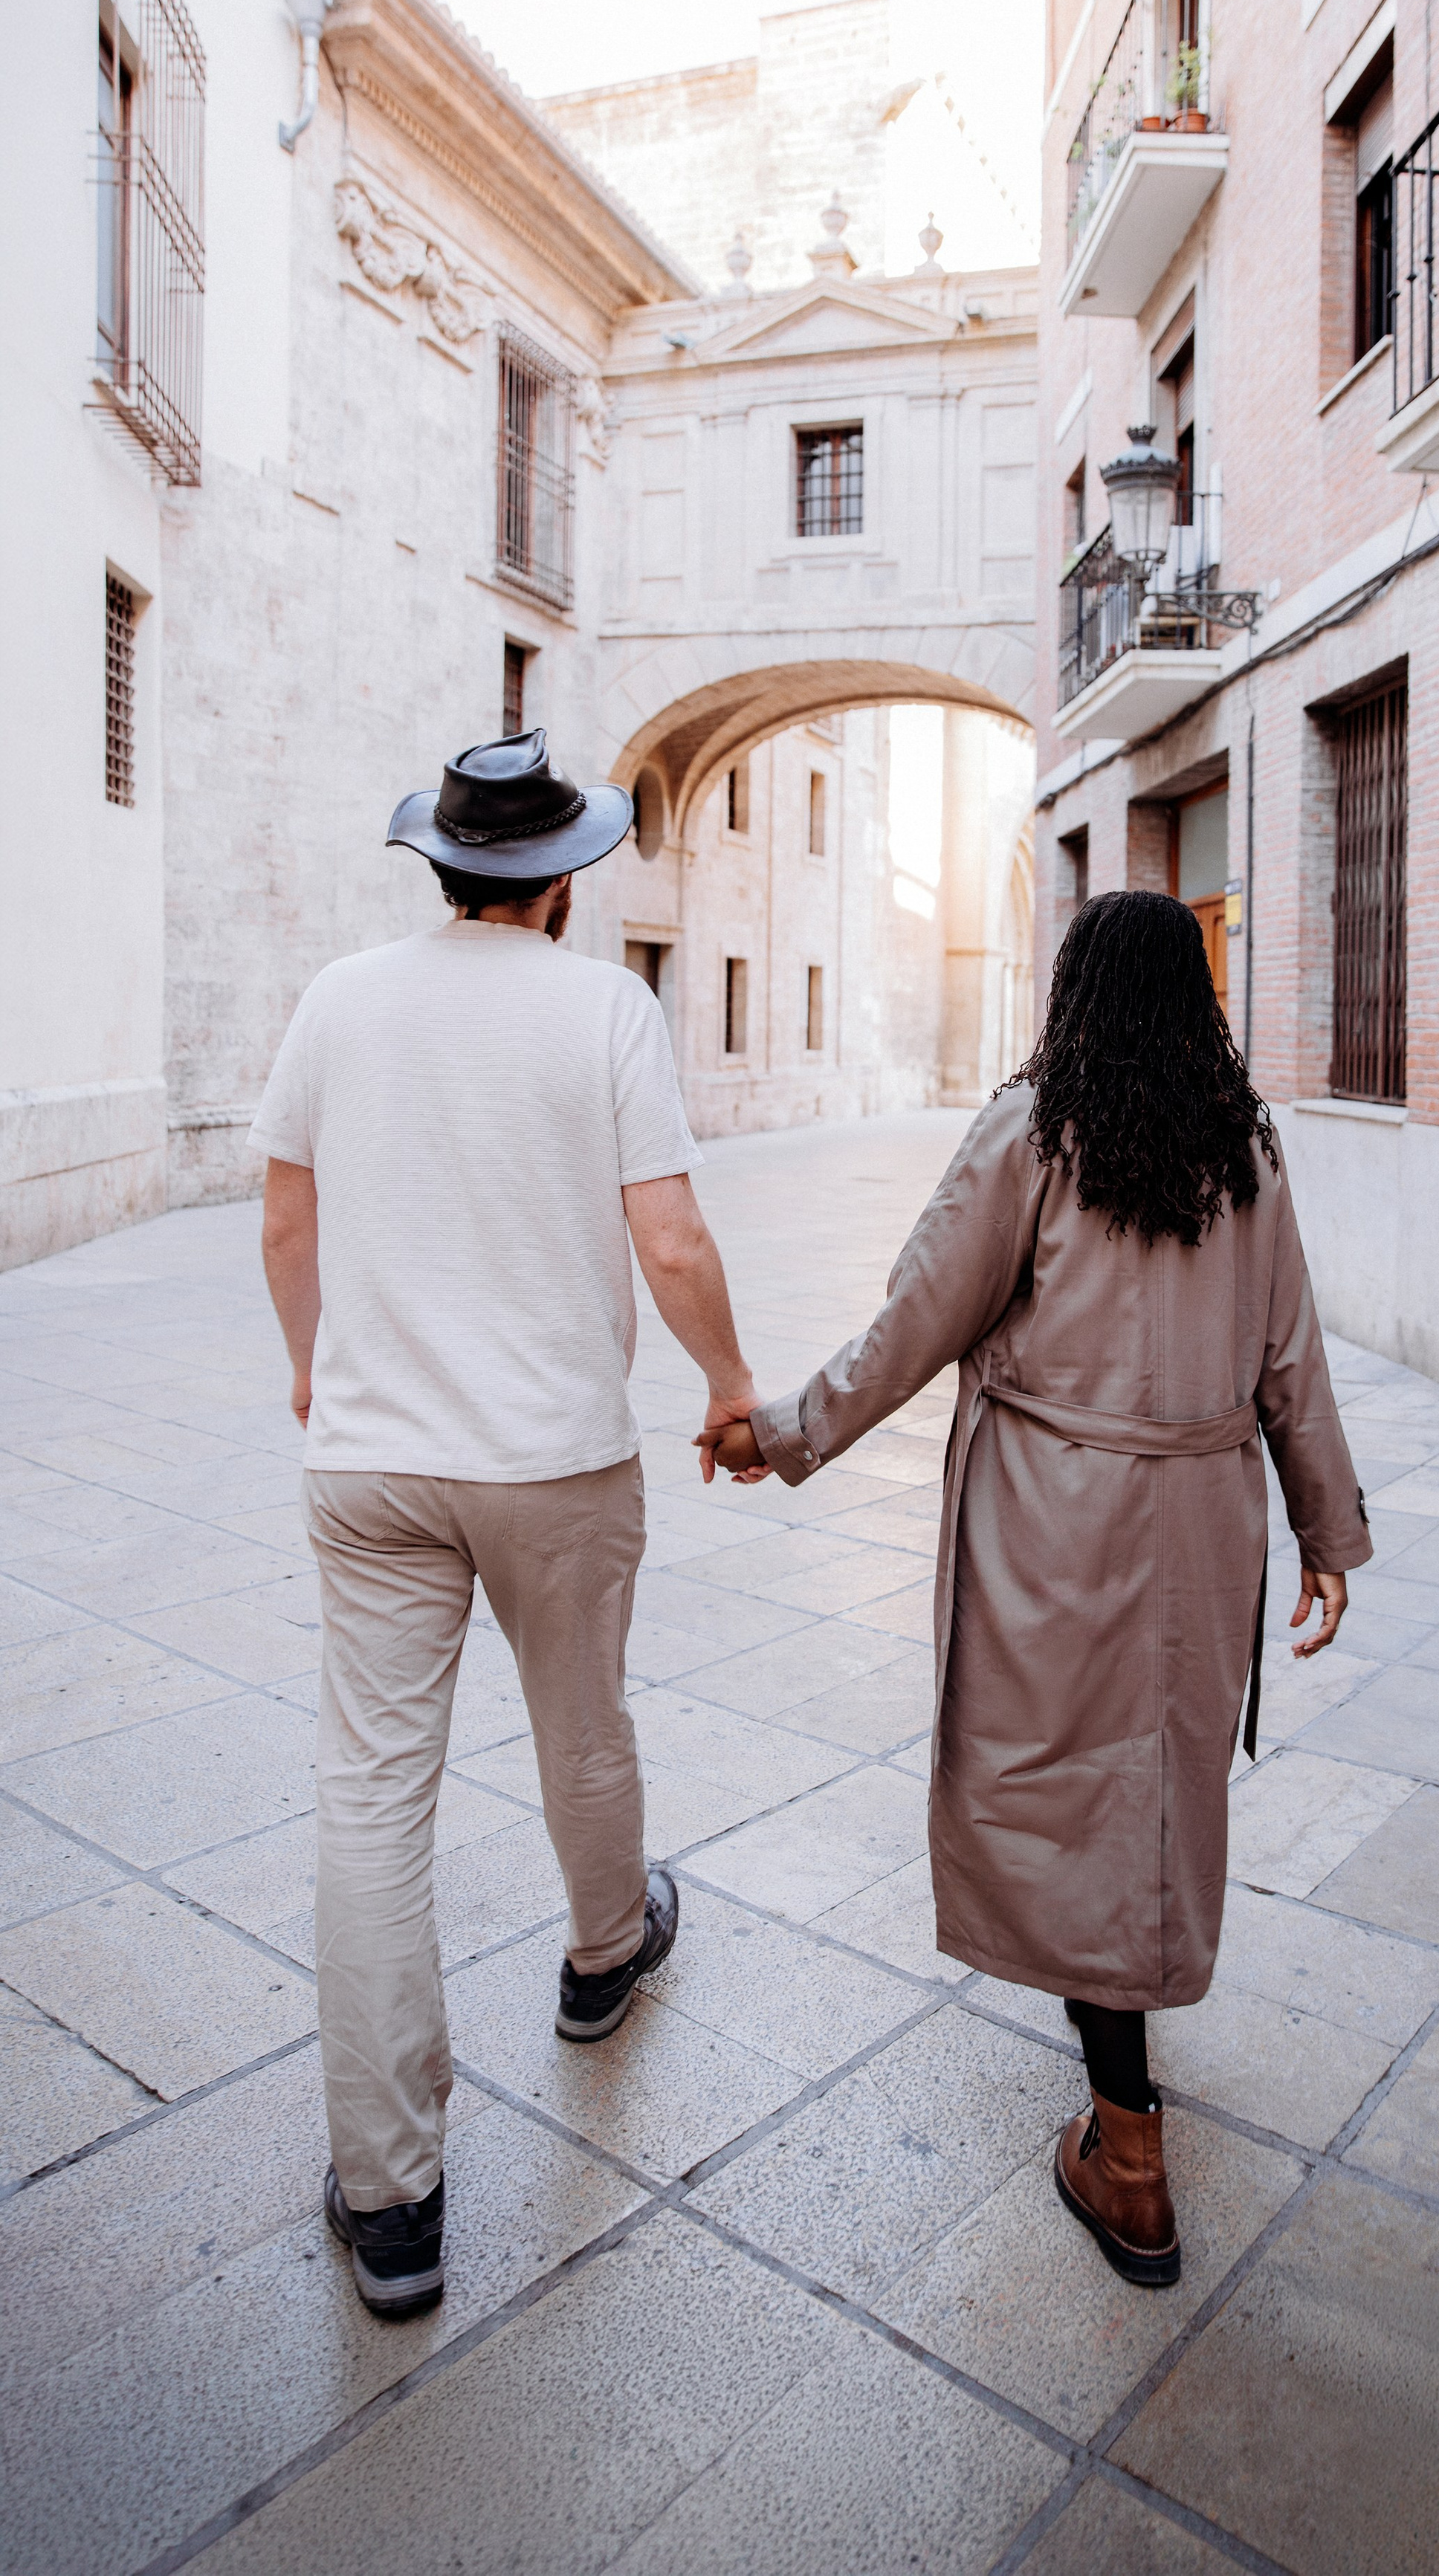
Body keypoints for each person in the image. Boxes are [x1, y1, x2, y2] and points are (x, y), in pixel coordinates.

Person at [702, 887, 1370, 2287]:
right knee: (1156, 1788)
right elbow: (1291, 1355)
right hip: (1199, 1523)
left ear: (1072, 996)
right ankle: (1124, 2068)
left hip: (1055, 1522)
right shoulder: (1246, 1149)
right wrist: (1325, 1529)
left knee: (1068, 1791)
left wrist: (785, 1431)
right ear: (1198, 1001)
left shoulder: (1033, 1133)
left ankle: (1130, 2156)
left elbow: (915, 1320)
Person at [252, 730, 757, 2319]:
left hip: (375, 1463)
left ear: (444, 864)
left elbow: (284, 1211)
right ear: (559, 883)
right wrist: (730, 1381)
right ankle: (606, 1955)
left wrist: (307, 1369)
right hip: (553, 1459)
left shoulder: (339, 998)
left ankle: (391, 2200)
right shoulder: (606, 1008)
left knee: (369, 1803)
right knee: (580, 1729)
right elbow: (667, 1238)